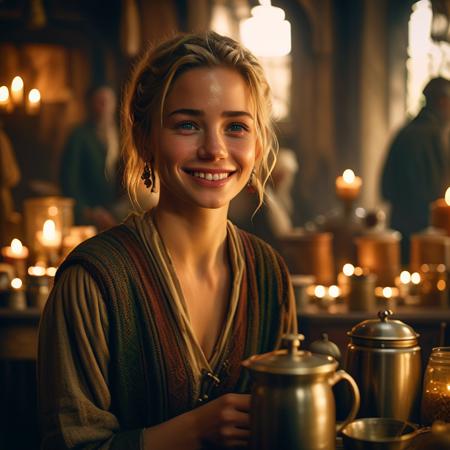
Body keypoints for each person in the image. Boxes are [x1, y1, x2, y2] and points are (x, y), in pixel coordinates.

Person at [38, 31, 297, 450]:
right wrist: (194, 431)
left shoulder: (270, 274)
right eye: (188, 125)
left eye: (236, 126)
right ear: (145, 139)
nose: (214, 149)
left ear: (259, 142)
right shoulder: (92, 282)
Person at [381, 77, 450, 264]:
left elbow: (385, 188)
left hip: (400, 228)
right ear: (443, 101)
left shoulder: (404, 132)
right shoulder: (437, 136)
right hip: (429, 234)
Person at [60, 84, 123, 230]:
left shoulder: (121, 135)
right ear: (90, 105)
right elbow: (69, 180)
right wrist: (88, 212)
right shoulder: (79, 135)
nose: (104, 106)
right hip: (88, 215)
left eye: (108, 101)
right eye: (99, 101)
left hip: (117, 213)